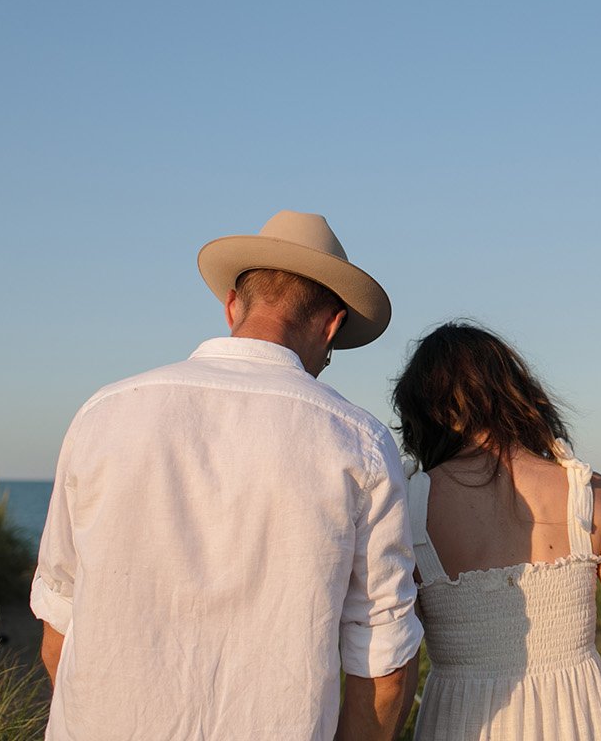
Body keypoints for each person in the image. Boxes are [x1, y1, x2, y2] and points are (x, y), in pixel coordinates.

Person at [30, 211, 422, 741]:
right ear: (332, 324)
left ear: (232, 305)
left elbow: (58, 622)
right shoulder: (361, 444)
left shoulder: (104, 412)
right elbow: (385, 663)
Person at [392, 322, 601, 741]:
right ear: (514, 392)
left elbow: (394, 676)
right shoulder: (585, 494)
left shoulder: (411, 507)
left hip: (460, 725)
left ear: (421, 411)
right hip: (584, 725)